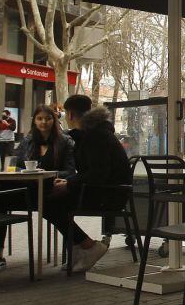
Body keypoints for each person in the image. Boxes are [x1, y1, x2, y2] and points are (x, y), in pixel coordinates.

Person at [0, 105, 77, 271]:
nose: (43, 122)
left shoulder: (65, 142)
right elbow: (14, 167)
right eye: (39, 118)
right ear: (34, 121)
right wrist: (25, 172)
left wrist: (46, 173)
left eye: (48, 118)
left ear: (54, 121)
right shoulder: (28, 141)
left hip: (48, 190)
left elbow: (70, 171)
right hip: (26, 189)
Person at [47, 95, 131, 271]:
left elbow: (97, 173)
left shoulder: (94, 137)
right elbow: (94, 172)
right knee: (52, 201)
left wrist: (69, 185)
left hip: (106, 195)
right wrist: (69, 182)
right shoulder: (96, 133)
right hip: (110, 192)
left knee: (50, 203)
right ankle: (79, 248)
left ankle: (87, 246)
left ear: (69, 115)